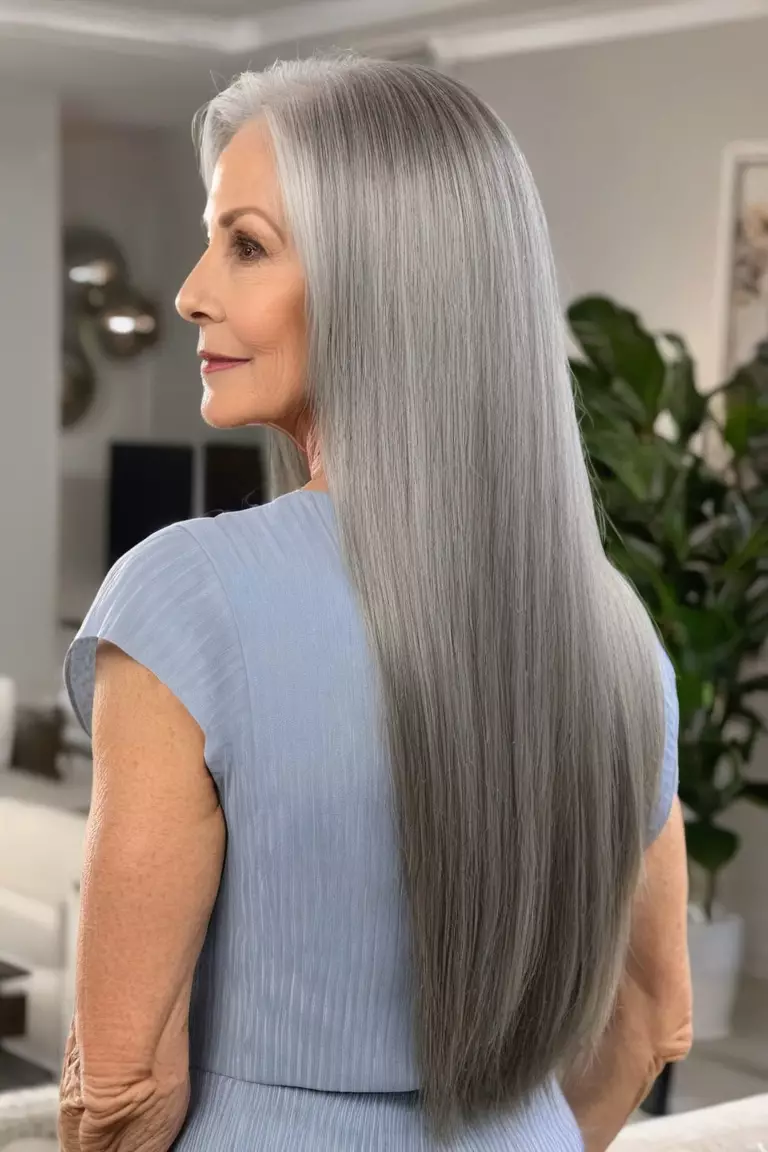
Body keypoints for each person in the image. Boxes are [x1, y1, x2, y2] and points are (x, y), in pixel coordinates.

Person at [58, 56, 691, 1152]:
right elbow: (649, 1019)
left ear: (382, 281)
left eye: (246, 244)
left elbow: (122, 1089)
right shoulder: (614, 629)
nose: (191, 290)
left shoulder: (186, 599)